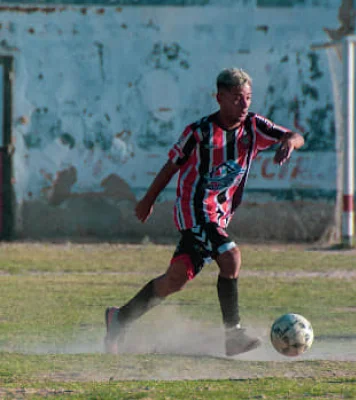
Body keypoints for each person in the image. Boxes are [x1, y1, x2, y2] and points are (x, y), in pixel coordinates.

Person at [104, 68, 305, 357]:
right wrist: (148, 199)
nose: (244, 104)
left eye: (248, 97)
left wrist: (289, 142)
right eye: (237, 98)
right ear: (220, 98)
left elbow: (296, 135)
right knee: (231, 258)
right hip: (195, 212)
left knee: (174, 280)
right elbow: (170, 166)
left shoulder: (254, 126)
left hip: (220, 217)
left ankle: (119, 319)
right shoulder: (199, 132)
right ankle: (232, 333)